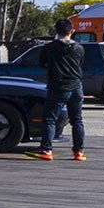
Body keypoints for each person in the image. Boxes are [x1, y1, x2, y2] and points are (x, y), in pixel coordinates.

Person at [26, 18, 88, 161]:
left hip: (58, 87)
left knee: (49, 119)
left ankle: (46, 150)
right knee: (77, 120)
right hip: (76, 87)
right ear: (72, 31)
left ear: (56, 31)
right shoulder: (79, 48)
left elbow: (42, 64)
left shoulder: (49, 48)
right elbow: (80, 63)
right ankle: (79, 152)